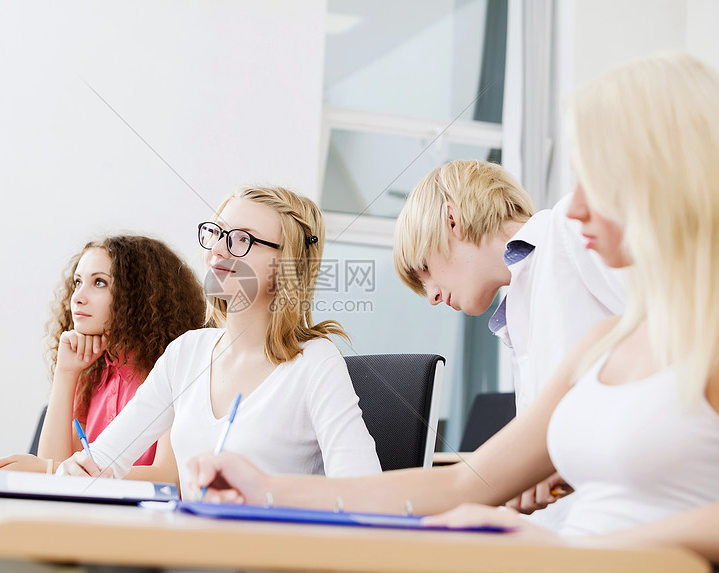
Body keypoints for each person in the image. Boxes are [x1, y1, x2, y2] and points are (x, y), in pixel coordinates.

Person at [187, 52, 719, 565]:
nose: (574, 205)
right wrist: (267, 488)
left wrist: (567, 551)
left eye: (595, 181)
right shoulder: (599, 342)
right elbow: (465, 482)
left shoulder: (566, 244)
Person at [57, 185, 382, 498]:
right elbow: (102, 458)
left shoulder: (315, 362)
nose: (217, 250)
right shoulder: (186, 352)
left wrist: (264, 490)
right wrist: (73, 472)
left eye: (241, 239)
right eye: (216, 233)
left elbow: (364, 492)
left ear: (285, 266)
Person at [392, 159, 627, 519]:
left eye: (425, 269)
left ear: (452, 221)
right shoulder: (517, 307)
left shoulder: (569, 231)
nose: (433, 296)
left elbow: (680, 336)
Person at [0, 235, 206, 480]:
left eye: (99, 283)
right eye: (77, 282)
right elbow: (56, 470)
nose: (78, 297)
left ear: (138, 295)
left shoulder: (176, 369)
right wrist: (66, 372)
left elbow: (168, 478)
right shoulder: (96, 375)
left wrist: (49, 469)